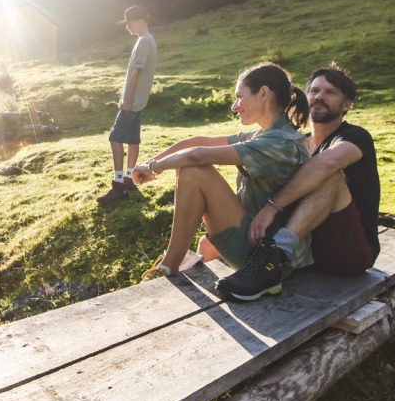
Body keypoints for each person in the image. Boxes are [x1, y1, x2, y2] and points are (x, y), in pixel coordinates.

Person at [130, 62, 312, 301]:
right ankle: (170, 264)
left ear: (264, 94)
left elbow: (197, 155)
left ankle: (168, 266)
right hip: (257, 241)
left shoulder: (278, 142)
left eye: (239, 97)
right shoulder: (266, 135)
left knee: (195, 172)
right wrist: (151, 164)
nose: (234, 106)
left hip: (266, 259)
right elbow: (198, 142)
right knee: (192, 169)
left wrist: (153, 168)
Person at [238, 64, 379, 277]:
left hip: (349, 252)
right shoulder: (298, 142)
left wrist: (271, 208)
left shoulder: (355, 137)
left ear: (346, 104)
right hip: (306, 251)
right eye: (314, 91)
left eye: (330, 92)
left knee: (330, 176)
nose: (319, 96)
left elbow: (327, 164)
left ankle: (274, 254)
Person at [97, 5, 158, 205]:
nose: (127, 28)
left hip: (133, 102)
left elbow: (136, 73)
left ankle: (118, 184)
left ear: (139, 20)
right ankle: (130, 178)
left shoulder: (143, 42)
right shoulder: (149, 40)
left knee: (115, 137)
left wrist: (127, 100)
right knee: (132, 139)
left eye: (129, 23)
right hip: (139, 102)